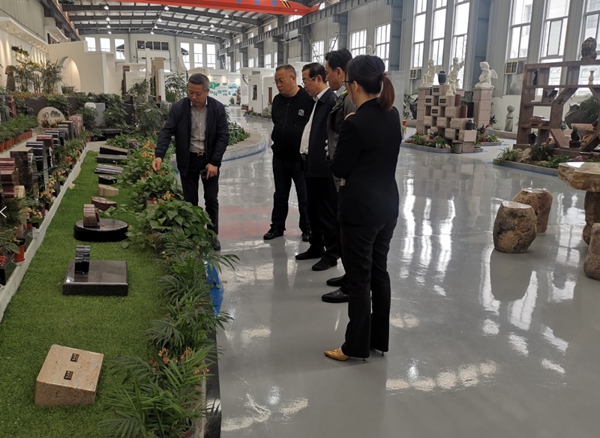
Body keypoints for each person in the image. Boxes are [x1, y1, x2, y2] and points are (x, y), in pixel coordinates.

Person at [324, 55, 401, 361]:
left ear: (354, 85)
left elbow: (339, 167)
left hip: (359, 212)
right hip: (387, 207)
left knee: (358, 280)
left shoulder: (355, 123)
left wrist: (345, 133)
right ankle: (377, 340)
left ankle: (354, 346)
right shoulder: (392, 115)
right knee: (379, 272)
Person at [153, 73, 229, 251]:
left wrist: (215, 162)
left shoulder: (217, 109)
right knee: (190, 201)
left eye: (198, 94)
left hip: (209, 161)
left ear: (207, 92)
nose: (193, 97)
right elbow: (166, 131)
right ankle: (192, 235)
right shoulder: (179, 108)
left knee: (211, 199)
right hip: (188, 160)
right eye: (190, 92)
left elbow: (223, 136)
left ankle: (212, 235)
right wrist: (159, 155)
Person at [321, 48, 358, 303]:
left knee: (348, 235)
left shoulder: (350, 101)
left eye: (327, 72)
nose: (326, 77)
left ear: (339, 71)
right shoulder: (342, 96)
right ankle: (347, 277)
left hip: (346, 177)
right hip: (338, 174)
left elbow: (350, 141)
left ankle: (350, 284)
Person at [263, 65, 314, 242]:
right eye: (276, 81)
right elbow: (276, 123)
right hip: (280, 157)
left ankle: (307, 228)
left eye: (281, 81)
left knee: (304, 196)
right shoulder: (277, 100)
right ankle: (277, 226)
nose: (278, 85)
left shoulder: (308, 99)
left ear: (293, 78)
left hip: (300, 159)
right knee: (280, 194)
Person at [295, 63, 338, 271]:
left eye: (306, 80)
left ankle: (331, 254)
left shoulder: (330, 101)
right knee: (312, 209)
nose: (304, 85)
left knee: (326, 212)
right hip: (310, 165)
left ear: (318, 79)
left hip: (323, 167)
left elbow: (333, 136)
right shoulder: (315, 102)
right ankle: (316, 246)